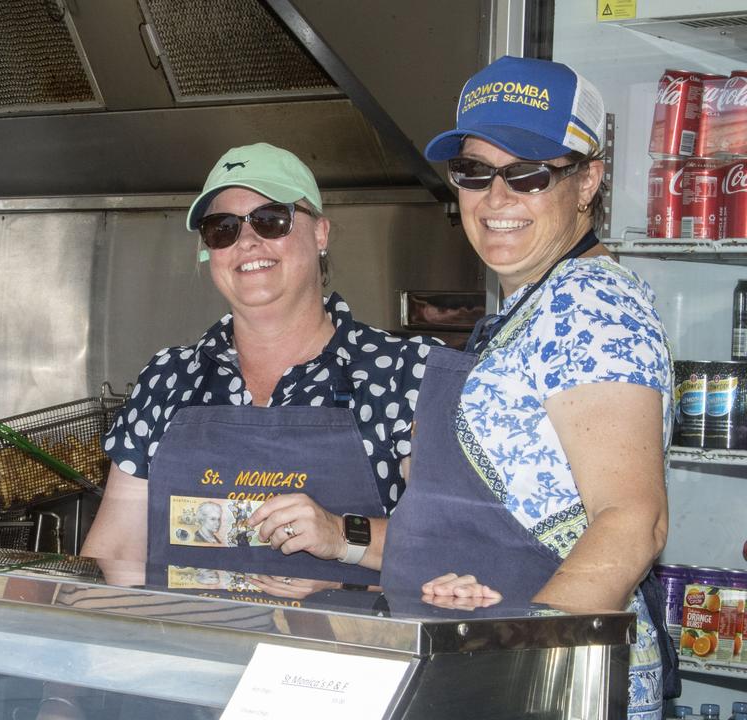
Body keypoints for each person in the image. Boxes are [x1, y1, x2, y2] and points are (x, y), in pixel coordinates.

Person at [377, 57, 675, 718]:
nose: (497, 199)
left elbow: (633, 521)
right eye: (475, 173)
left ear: (587, 180)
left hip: (553, 687)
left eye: (529, 174)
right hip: (490, 663)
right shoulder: (524, 308)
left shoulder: (592, 303)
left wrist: (527, 668)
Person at [81, 142, 438, 588]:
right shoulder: (167, 379)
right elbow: (115, 553)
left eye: (272, 220)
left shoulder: (409, 373)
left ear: (321, 233)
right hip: (190, 647)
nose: (247, 241)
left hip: (346, 652)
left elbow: (450, 549)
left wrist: (344, 539)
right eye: (222, 228)